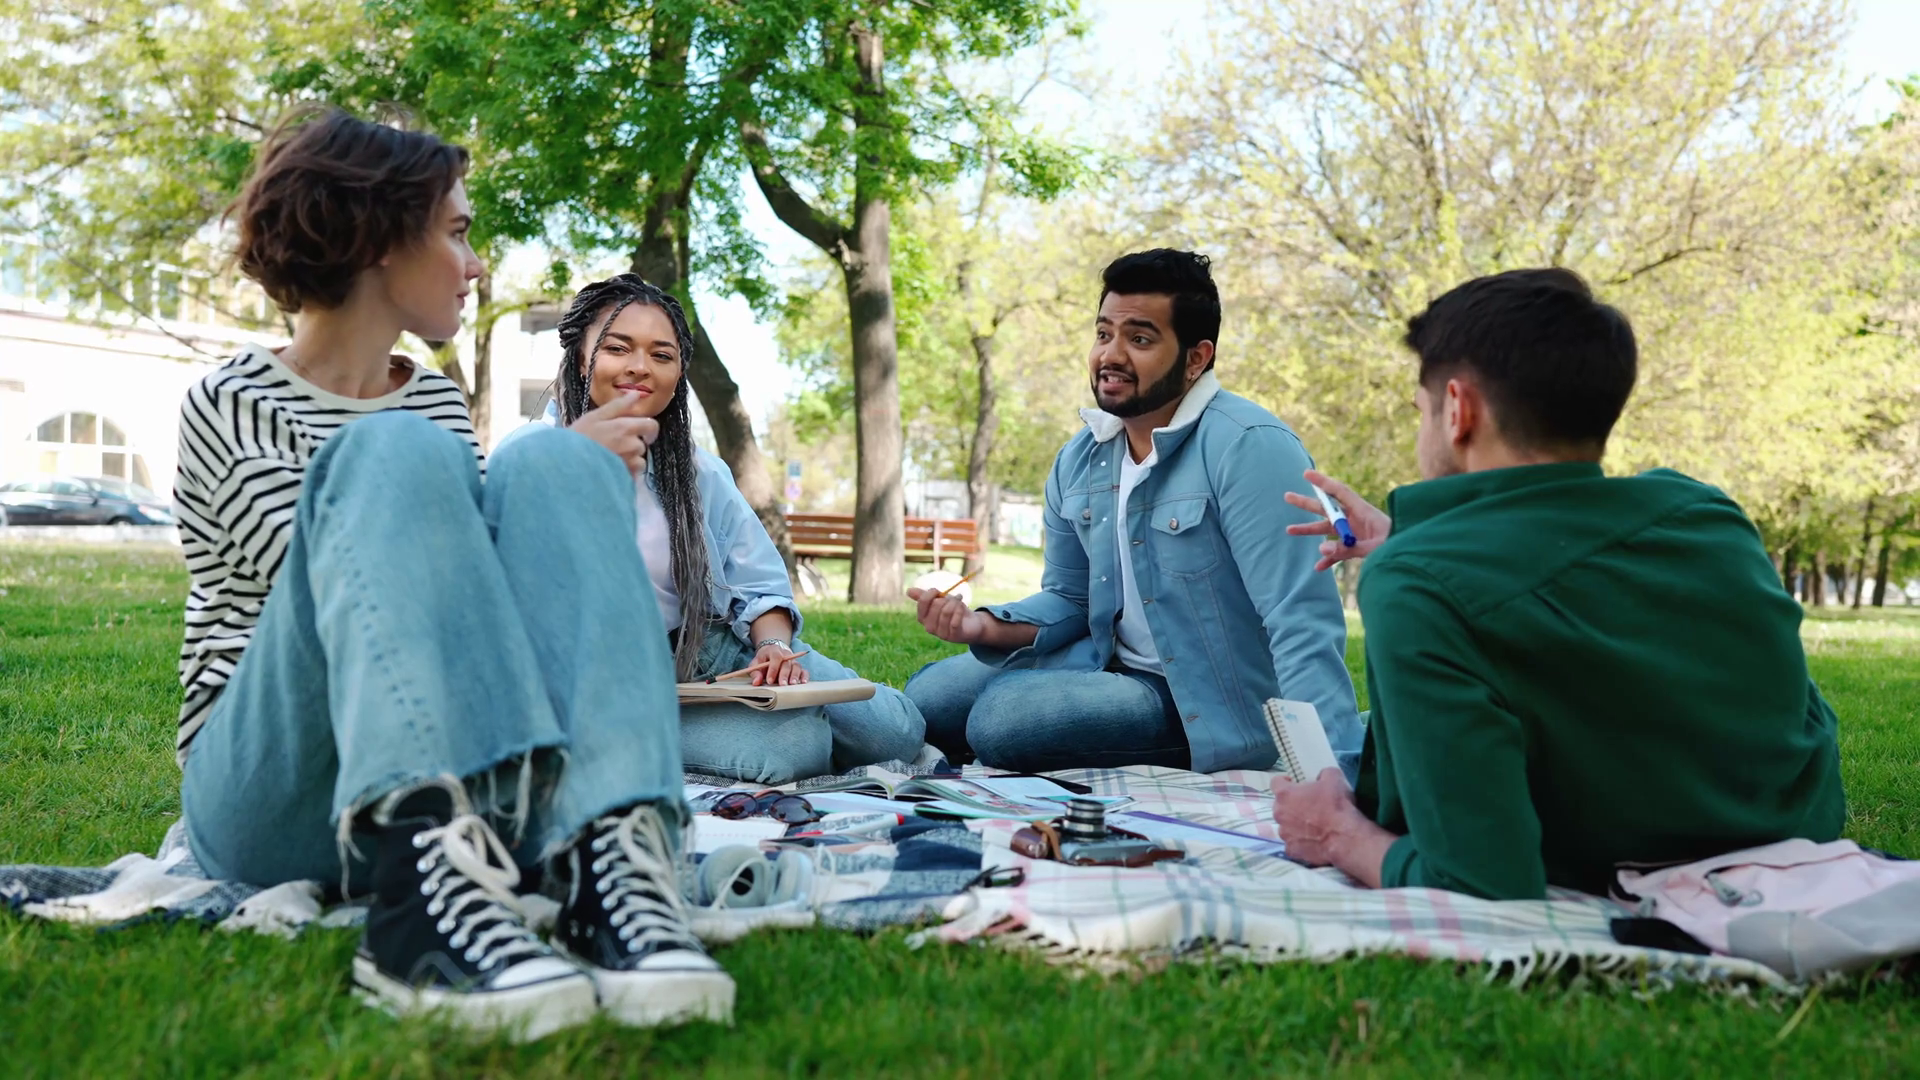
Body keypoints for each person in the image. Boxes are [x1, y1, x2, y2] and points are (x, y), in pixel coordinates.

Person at [171, 107, 730, 1040]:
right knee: (397, 454)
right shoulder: (234, 402)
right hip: (274, 794)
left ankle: (610, 863)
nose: (476, 266)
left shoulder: (432, 399)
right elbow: (358, 598)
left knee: (547, 459)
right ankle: (412, 909)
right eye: (458, 233)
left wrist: (564, 474)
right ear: (382, 240)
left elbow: (473, 609)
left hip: (468, 784)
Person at [1270, 268, 1846, 900]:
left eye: (1422, 412)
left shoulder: (1413, 586)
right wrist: (1414, 545)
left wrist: (1335, 833)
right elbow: (1568, 571)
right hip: (1795, 855)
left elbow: (1478, 879)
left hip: (1623, 888)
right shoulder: (1706, 515)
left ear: (1458, 410)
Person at [903, 249, 1362, 774]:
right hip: (1104, 663)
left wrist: (1330, 771)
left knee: (1003, 721)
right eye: (1104, 334)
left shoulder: (1250, 447)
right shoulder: (1081, 456)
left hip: (1207, 700)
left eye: (1139, 340)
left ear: (1196, 358)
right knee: (929, 701)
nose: (1111, 355)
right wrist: (982, 627)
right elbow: (1072, 599)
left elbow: (1299, 618)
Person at [521, 273, 925, 784]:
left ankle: (807, 718)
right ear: (582, 358)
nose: (640, 367)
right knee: (793, 748)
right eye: (617, 348)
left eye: (662, 355)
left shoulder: (697, 471)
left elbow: (758, 584)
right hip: (605, 686)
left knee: (895, 733)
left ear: (678, 374)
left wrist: (773, 649)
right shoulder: (532, 457)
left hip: (711, 653)